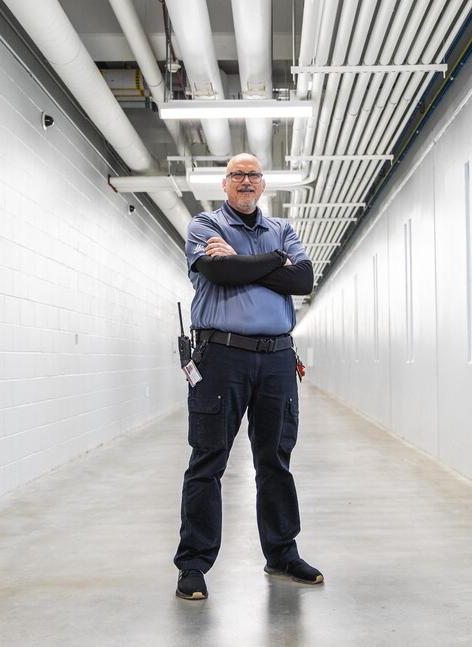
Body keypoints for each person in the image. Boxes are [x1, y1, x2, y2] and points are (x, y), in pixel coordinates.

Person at [173, 153, 322, 601]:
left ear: (262, 184)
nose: (245, 180)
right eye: (237, 174)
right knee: (208, 459)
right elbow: (218, 270)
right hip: (222, 357)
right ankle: (193, 565)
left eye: (253, 174)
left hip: (277, 358)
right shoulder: (204, 226)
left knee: (275, 461)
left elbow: (304, 281)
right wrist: (273, 265)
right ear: (224, 183)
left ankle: (281, 553)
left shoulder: (282, 230)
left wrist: (247, 259)